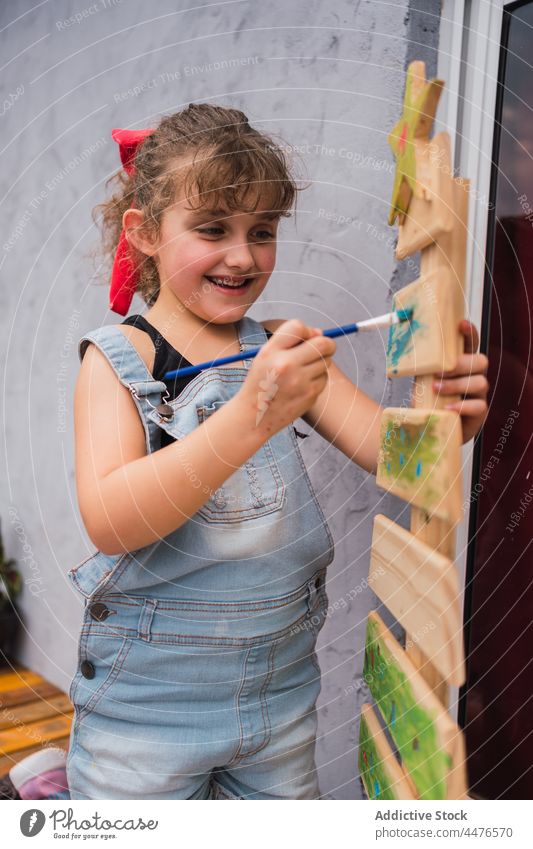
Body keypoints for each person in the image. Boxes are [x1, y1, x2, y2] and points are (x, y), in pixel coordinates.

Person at [66, 104, 489, 800]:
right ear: (143, 233)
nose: (243, 256)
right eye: (213, 229)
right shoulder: (117, 361)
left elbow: (394, 458)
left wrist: (450, 419)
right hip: (143, 717)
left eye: (261, 232)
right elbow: (113, 521)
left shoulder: (280, 348)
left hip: (278, 706)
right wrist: (249, 416)